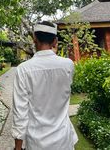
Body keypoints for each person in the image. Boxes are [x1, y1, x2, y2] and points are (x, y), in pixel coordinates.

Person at [12, 21, 78, 150]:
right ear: (55, 41)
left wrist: (17, 148)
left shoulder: (23, 69)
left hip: (37, 142)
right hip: (64, 140)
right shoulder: (68, 65)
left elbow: (20, 113)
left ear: (34, 39)